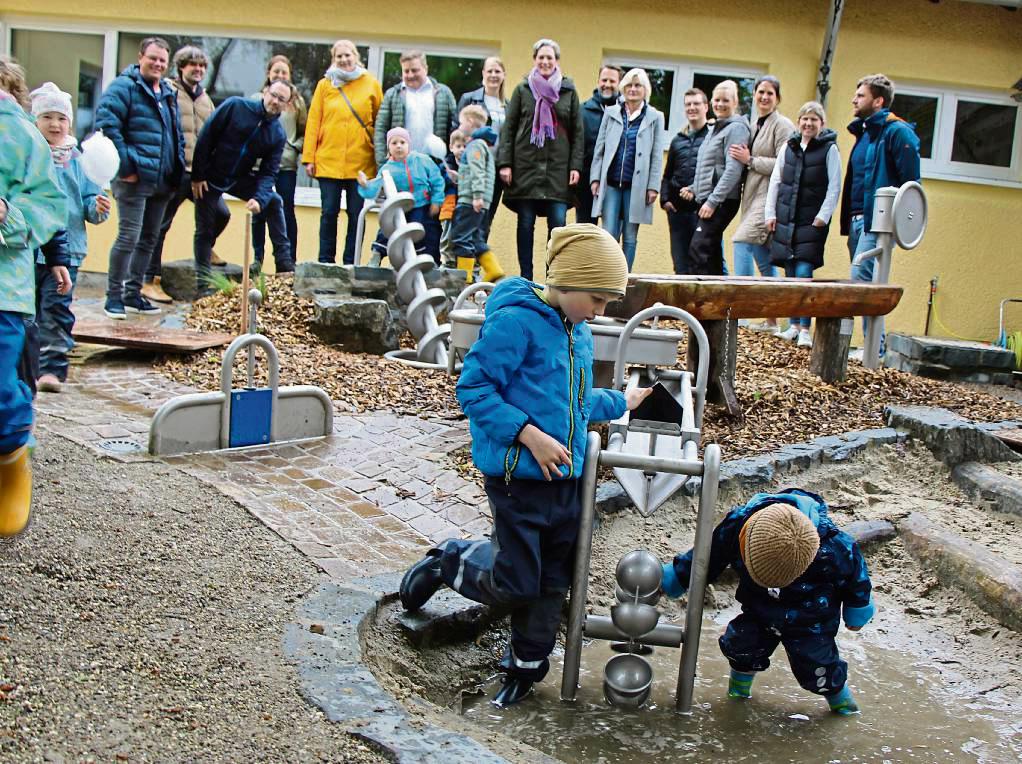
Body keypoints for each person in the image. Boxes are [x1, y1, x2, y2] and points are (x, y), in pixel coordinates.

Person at [397, 224, 652, 707]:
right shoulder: (516, 322)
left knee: (554, 580)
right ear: (568, 281)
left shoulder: (575, 330)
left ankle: (525, 666)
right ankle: (448, 560)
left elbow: (573, 401)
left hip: (569, 482)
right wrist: (529, 436)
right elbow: (473, 390)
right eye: (597, 300)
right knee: (516, 581)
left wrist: (622, 402)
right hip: (520, 480)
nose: (600, 312)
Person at [661, 489, 874, 715]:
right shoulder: (736, 526)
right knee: (741, 647)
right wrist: (678, 577)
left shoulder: (835, 547)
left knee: (819, 668)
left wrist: (856, 609)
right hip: (759, 609)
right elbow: (707, 557)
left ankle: (843, 705)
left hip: (811, 620)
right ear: (744, 538)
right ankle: (738, 694)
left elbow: (856, 579)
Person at [0, 57, 68, 536]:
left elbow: (49, 206)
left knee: (4, 391)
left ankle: (11, 462)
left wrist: (8, 215)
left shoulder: (22, 136)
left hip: (6, 290)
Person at [95, 36, 185, 319]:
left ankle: (134, 294)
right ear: (140, 58)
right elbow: (107, 126)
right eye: (153, 58)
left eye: (162, 61)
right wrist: (127, 168)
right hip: (134, 179)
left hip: (162, 180)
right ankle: (114, 297)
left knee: (149, 238)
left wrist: (176, 165)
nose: (158, 64)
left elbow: (176, 134)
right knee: (128, 237)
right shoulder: (124, 87)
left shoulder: (167, 92)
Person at [30, 83, 111, 393]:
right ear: (35, 120)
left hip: (69, 251)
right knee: (28, 311)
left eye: (61, 118)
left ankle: (52, 369)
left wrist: (98, 207)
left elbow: (91, 204)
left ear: (70, 122)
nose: (55, 124)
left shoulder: (79, 159)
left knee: (56, 310)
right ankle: (29, 365)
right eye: (47, 117)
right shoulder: (31, 156)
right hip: (29, 248)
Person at [839, 73, 920, 343]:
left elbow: (911, 185)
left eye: (861, 95)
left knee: (861, 277)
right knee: (866, 283)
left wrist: (898, 225)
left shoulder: (896, 132)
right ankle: (873, 346)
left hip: (879, 221)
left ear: (878, 101)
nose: (854, 99)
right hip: (857, 220)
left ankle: (875, 348)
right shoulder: (866, 134)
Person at [190, 81, 295, 291]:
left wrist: (259, 198)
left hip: (238, 178)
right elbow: (206, 137)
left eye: (281, 99)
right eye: (273, 95)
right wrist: (198, 175)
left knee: (274, 201)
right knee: (206, 227)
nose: (275, 101)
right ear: (265, 92)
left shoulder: (277, 134)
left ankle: (284, 265)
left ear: (287, 104)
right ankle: (203, 285)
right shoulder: (236, 106)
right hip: (209, 176)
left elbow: (269, 173)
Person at [498, 39, 584, 281]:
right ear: (535, 60)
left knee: (558, 226)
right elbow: (509, 128)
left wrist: (575, 166)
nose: (545, 62)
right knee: (525, 223)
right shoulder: (522, 90)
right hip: (525, 168)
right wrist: (505, 163)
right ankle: (526, 277)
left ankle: (551, 278)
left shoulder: (568, 92)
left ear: (557, 61)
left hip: (557, 171)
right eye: (541, 57)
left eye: (550, 58)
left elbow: (578, 133)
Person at [145, 45, 218, 306]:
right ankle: (150, 279)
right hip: (175, 173)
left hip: (199, 175)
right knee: (160, 226)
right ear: (181, 67)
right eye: (192, 65)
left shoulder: (205, 99)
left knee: (220, 214)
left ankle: (207, 250)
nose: (197, 70)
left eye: (201, 66)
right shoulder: (169, 92)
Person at [765, 102, 841, 348]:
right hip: (787, 218)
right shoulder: (790, 147)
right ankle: (794, 325)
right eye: (804, 119)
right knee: (790, 273)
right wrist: (770, 213)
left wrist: (824, 215)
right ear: (799, 122)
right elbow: (776, 181)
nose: (808, 124)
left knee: (804, 274)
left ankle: (806, 328)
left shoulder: (829, 149)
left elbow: (834, 186)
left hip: (811, 221)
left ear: (822, 123)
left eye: (813, 119)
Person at [304, 40, 383, 265]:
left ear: (356, 57)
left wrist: (381, 159)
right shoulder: (325, 85)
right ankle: (325, 261)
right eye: (339, 56)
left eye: (347, 55)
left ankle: (352, 262)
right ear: (333, 59)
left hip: (362, 163)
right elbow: (313, 121)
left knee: (356, 215)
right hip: (328, 161)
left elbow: (380, 121)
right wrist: (309, 157)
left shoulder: (371, 84)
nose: (344, 60)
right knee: (328, 213)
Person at [730, 76, 794, 332]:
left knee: (741, 242)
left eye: (770, 93)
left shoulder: (783, 125)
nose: (764, 97)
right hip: (752, 196)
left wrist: (750, 160)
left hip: (769, 197)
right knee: (763, 258)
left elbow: (784, 163)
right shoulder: (756, 124)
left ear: (777, 98)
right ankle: (771, 321)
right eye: (760, 92)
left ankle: (742, 312)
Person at [589, 68, 665, 271]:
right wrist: (595, 178)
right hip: (611, 184)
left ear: (645, 89)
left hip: (637, 187)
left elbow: (657, 155)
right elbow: (600, 148)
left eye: (638, 85)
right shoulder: (612, 113)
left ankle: (624, 277)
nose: (633, 89)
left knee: (630, 236)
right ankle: (607, 275)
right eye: (629, 85)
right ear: (623, 88)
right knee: (608, 233)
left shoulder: (655, 117)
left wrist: (653, 187)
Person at [685, 80, 750, 275]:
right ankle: (718, 302)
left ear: (735, 102)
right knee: (711, 252)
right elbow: (711, 166)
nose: (720, 104)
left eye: (725, 100)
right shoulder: (716, 127)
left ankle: (699, 301)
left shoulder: (736, 128)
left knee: (699, 249)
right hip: (706, 197)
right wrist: (694, 188)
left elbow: (732, 170)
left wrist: (713, 201)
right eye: (717, 100)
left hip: (721, 200)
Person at [357, 127, 443, 266]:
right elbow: (374, 189)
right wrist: (364, 184)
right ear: (388, 148)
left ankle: (417, 260)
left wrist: (436, 201)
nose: (398, 146)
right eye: (394, 143)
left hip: (420, 204)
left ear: (409, 145)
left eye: (402, 142)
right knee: (389, 226)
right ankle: (377, 254)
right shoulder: (387, 169)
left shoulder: (421, 160)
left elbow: (437, 180)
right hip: (399, 205)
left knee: (418, 229)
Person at [252, 55, 306, 266]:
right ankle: (257, 257)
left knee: (285, 210)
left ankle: (287, 259)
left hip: (286, 165)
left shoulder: (297, 102)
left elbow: (304, 132)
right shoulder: (257, 98)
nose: (280, 75)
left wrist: (294, 148)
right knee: (258, 210)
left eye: (284, 72)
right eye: (276, 71)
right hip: (259, 165)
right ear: (269, 74)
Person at [374, 51, 457, 166]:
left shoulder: (443, 93)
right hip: (400, 165)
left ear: (425, 69)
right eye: (406, 71)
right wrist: (383, 165)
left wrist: (450, 162)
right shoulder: (392, 94)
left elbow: (454, 130)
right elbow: (380, 130)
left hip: (434, 166)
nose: (410, 75)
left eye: (414, 70)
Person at [455, 56, 508, 237]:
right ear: (483, 73)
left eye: (497, 71)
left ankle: (478, 259)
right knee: (468, 213)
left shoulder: (507, 106)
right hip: (472, 165)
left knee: (486, 217)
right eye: (490, 71)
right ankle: (465, 258)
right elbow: (457, 130)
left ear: (503, 75)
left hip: (494, 169)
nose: (493, 75)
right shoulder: (469, 99)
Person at [450, 105, 503, 284]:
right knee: (476, 238)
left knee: (461, 237)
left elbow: (477, 170)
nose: (459, 125)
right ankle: (493, 269)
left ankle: (465, 279)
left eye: (462, 122)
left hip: (470, 201)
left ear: (471, 122)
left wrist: (477, 196)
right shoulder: (484, 146)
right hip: (479, 201)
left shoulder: (475, 145)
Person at [661, 88, 710, 275]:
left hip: (702, 212)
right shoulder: (677, 141)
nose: (692, 108)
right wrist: (665, 200)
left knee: (700, 264)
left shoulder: (712, 138)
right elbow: (667, 174)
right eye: (688, 104)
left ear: (706, 107)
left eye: (696, 103)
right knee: (680, 266)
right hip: (677, 212)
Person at [574, 65, 621, 225]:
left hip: (616, 181)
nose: (607, 84)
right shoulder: (583, 111)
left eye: (612, 81)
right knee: (585, 230)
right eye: (604, 80)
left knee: (612, 235)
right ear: (598, 81)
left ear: (619, 84)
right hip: (586, 183)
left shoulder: (626, 113)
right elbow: (577, 146)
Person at [438, 129, 467, 267]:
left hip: (464, 208)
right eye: (458, 146)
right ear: (451, 147)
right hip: (449, 205)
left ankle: (460, 263)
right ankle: (447, 259)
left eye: (465, 146)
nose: (462, 149)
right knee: (447, 235)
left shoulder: (471, 164)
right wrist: (449, 178)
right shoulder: (446, 164)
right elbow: (439, 182)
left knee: (462, 236)